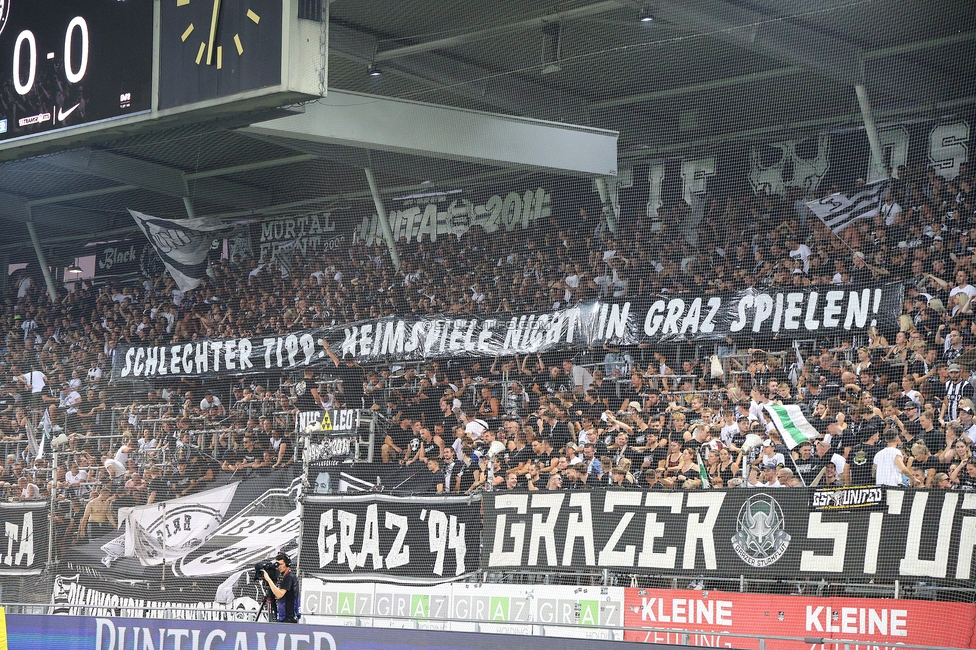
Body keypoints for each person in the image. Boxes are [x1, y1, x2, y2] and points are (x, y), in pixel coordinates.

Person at [261, 553, 298, 623]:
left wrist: (269, 580)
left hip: (288, 617)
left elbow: (279, 594)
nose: (279, 567)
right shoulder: (287, 577)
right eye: (278, 564)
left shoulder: (289, 577)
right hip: (287, 616)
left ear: (287, 564)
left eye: (281, 564)